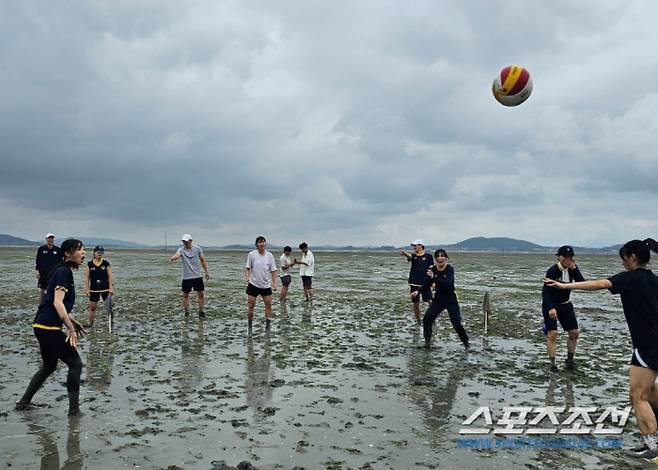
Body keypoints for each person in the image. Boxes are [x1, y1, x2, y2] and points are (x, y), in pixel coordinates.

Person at [544, 238, 658, 462]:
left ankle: (653, 446)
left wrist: (564, 286)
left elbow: (597, 284)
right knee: (651, 391)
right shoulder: (654, 280)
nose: (624, 264)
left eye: (624, 259)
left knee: (638, 396)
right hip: (653, 344)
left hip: (648, 345)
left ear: (632, 258)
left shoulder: (631, 278)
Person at [16, 239, 87, 415]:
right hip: (48, 327)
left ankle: (23, 403)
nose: (84, 253)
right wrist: (70, 327)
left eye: (84, 249)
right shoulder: (64, 272)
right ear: (68, 253)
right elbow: (57, 302)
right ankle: (74, 411)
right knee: (75, 363)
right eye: (80, 249)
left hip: (41, 325)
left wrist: (71, 319)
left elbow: (51, 302)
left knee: (49, 366)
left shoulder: (61, 271)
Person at [413, 249, 469, 350]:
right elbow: (427, 284)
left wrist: (434, 278)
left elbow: (448, 284)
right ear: (435, 259)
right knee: (427, 319)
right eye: (437, 256)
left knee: (456, 324)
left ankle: (466, 343)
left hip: (451, 299)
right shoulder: (433, 270)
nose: (440, 258)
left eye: (442, 256)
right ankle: (427, 343)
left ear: (446, 258)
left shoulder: (449, 269)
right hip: (438, 300)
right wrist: (418, 291)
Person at [541, 245, 585, 372]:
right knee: (552, 334)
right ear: (559, 257)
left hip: (566, 304)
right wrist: (550, 308)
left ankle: (570, 360)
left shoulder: (572, 269)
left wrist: (575, 269)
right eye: (565, 257)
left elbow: (581, 283)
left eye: (570, 257)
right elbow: (545, 292)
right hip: (551, 305)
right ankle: (552, 364)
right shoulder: (552, 271)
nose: (568, 259)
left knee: (574, 333)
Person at [170, 234, 210, 317]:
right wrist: (173, 258)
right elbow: (177, 255)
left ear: (190, 241)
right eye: (183, 241)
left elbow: (203, 260)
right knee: (185, 295)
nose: (185, 243)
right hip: (186, 277)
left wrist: (206, 272)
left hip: (197, 276)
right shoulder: (181, 249)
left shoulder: (197, 249)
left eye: (186, 241)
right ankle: (186, 312)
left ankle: (201, 311)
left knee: (201, 294)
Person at [245, 236, 278, 330]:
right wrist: (247, 277)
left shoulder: (269, 255)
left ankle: (268, 325)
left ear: (265, 243)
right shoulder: (251, 254)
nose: (262, 244)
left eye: (263, 242)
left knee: (268, 305)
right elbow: (248, 267)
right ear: (256, 245)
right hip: (253, 284)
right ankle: (250, 326)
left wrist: (274, 282)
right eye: (259, 242)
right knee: (251, 305)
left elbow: (273, 270)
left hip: (266, 285)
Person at [400, 239, 434, 323]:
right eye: (413, 246)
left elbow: (432, 269)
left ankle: (433, 317)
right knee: (415, 303)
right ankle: (419, 321)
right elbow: (409, 256)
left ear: (421, 245)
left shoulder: (428, 256)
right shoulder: (414, 256)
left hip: (425, 283)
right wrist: (404, 253)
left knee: (430, 301)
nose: (414, 247)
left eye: (416, 245)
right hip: (414, 283)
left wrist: (433, 281)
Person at [84, 246, 113, 327]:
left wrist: (111, 288)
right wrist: (87, 289)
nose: (100, 253)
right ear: (94, 253)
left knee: (109, 307)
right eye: (98, 252)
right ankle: (90, 323)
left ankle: (111, 323)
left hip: (105, 289)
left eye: (101, 252)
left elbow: (110, 276)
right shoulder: (89, 264)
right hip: (93, 289)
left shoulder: (106, 263)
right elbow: (86, 277)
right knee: (92, 307)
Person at [35, 233, 60, 300]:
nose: (51, 240)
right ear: (46, 239)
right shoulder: (41, 249)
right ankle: (41, 306)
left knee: (53, 289)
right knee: (42, 290)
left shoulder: (57, 250)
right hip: (43, 273)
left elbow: (60, 263)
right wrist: (37, 271)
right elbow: (38, 261)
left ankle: (53, 305)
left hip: (54, 274)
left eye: (52, 238)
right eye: (49, 238)